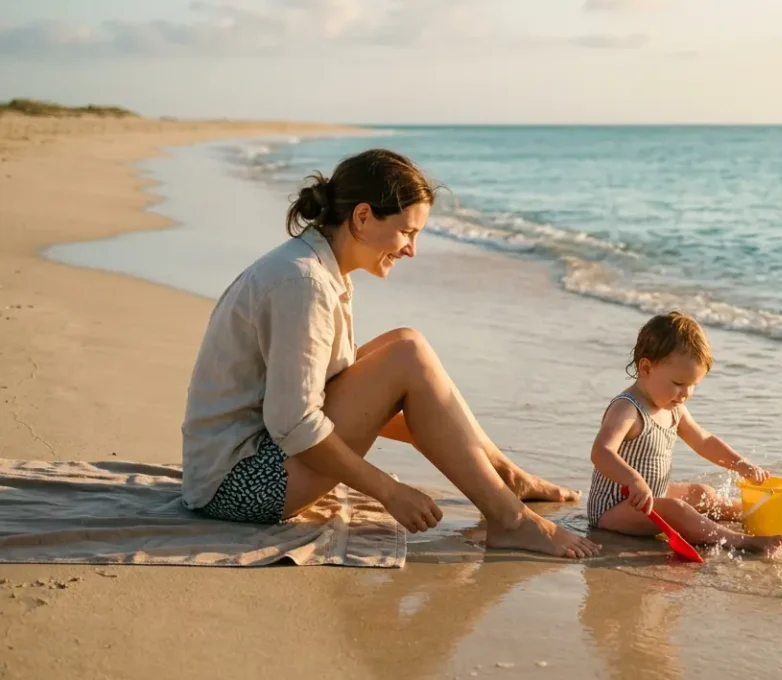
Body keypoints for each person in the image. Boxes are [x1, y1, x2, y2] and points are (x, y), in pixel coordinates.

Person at [180, 148, 600, 559]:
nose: (411, 250)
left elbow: (333, 397)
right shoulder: (302, 283)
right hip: (239, 486)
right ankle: (510, 520)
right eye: (407, 232)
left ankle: (506, 478)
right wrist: (388, 490)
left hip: (255, 461)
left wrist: (438, 431)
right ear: (362, 217)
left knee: (406, 341)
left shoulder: (319, 269)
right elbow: (293, 424)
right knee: (405, 359)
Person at [586, 311, 782, 553]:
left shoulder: (674, 408)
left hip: (653, 496)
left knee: (703, 493)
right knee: (677, 510)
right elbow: (601, 452)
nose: (686, 393)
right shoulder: (628, 408)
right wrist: (633, 479)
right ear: (646, 368)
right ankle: (739, 540)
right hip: (613, 509)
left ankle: (765, 516)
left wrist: (740, 464)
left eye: (693, 385)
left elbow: (704, 441)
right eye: (678, 384)